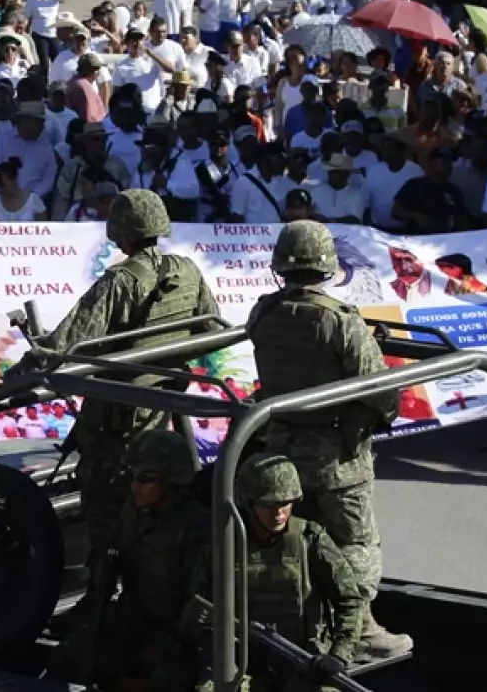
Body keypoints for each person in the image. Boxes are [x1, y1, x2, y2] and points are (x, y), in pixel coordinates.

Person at [0, 191, 218, 622]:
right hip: (167, 419)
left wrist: (5, 384)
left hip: (118, 426)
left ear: (121, 231)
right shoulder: (188, 272)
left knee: (108, 521)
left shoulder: (119, 281)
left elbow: (62, 347)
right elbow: (211, 327)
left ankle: (100, 609)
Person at [245, 221, 409, 660]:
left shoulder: (262, 313)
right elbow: (381, 392)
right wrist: (375, 419)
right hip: (336, 460)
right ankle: (361, 632)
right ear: (327, 268)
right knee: (354, 543)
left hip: (280, 449)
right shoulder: (341, 322)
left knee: (295, 540)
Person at [63, 430, 206, 689]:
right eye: (132, 476)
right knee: (71, 657)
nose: (134, 486)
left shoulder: (196, 529)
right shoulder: (134, 511)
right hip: (133, 619)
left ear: (171, 481)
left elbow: (196, 612)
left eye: (145, 478)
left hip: (175, 636)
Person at [210, 455, 367, 672]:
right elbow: (200, 605)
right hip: (242, 660)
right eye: (269, 504)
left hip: (302, 658)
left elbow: (350, 601)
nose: (279, 513)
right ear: (248, 501)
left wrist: (339, 655)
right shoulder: (226, 542)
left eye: (286, 503)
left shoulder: (310, 538)